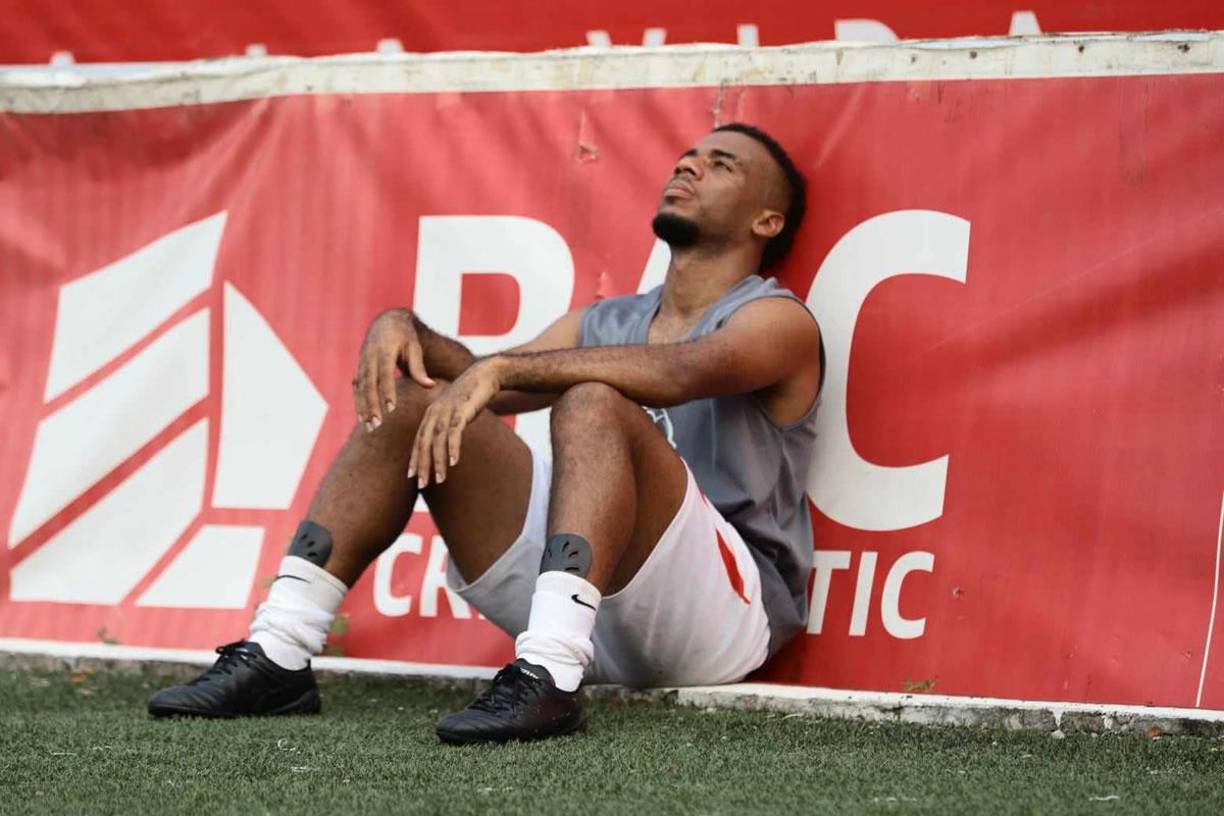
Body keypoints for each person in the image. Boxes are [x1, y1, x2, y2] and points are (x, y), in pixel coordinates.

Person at [148, 122, 823, 744]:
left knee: (592, 399)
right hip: (591, 611)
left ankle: (550, 673)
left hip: (723, 620)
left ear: (767, 219)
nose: (689, 167)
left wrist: (500, 371)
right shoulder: (605, 321)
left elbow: (681, 371)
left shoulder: (778, 321)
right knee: (418, 401)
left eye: (721, 164)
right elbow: (484, 379)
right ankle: (280, 648)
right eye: (687, 158)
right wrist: (406, 329)